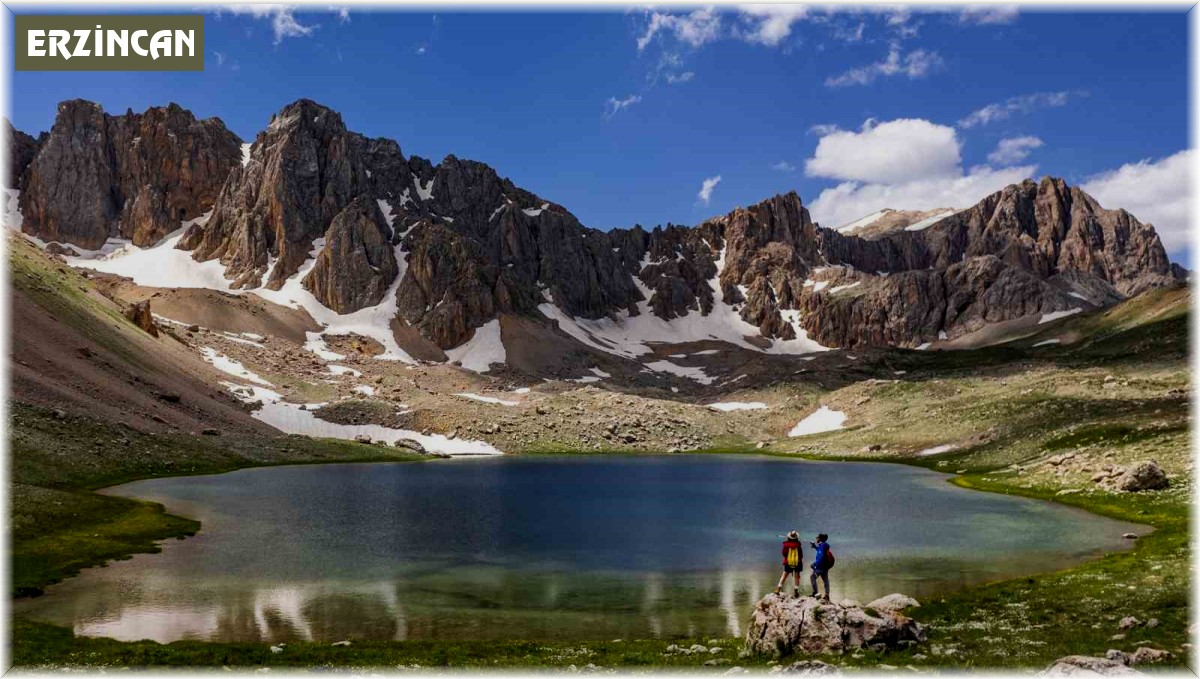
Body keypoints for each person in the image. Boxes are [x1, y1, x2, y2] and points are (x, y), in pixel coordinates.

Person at [774, 530, 803, 597]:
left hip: (788, 562)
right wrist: (797, 560)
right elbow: (801, 555)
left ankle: (778, 589)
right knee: (797, 576)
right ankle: (796, 591)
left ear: (789, 537)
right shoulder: (798, 545)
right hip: (797, 562)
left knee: (784, 575)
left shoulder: (786, 545)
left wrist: (788, 558)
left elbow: (784, 553)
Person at [810, 533, 832, 600]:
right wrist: (814, 546)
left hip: (820, 567)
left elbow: (821, 556)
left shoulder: (822, 546)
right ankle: (827, 595)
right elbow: (820, 551)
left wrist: (814, 564)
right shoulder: (823, 545)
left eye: (817, 537)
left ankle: (815, 593)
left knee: (812, 577)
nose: (816, 538)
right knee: (826, 580)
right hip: (825, 567)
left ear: (820, 539)